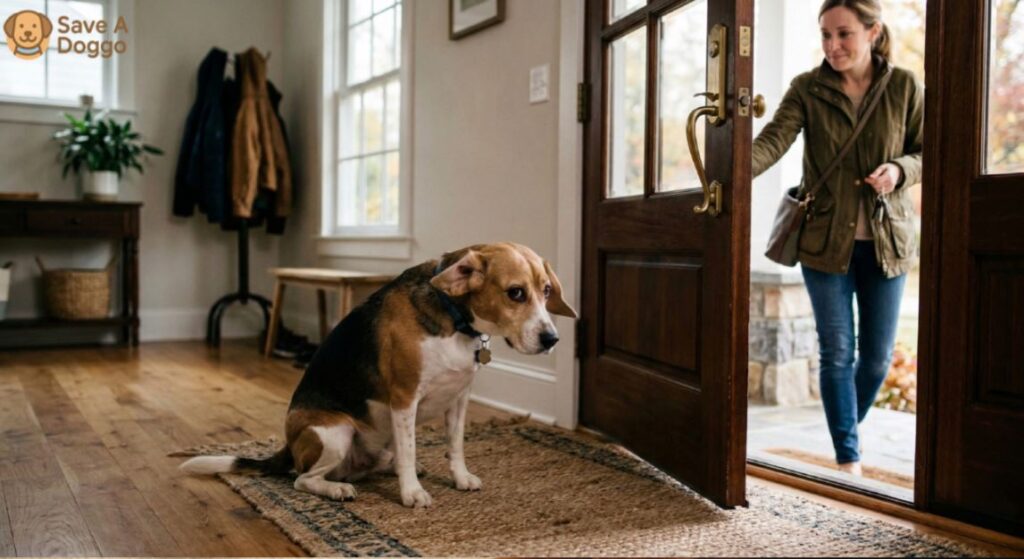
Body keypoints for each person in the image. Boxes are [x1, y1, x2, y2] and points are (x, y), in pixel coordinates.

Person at [751, 0, 923, 475]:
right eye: (825, 35)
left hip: (888, 242)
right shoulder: (807, 88)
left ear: (873, 31)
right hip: (824, 242)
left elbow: (928, 150)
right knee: (836, 351)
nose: (833, 46)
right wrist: (727, 170)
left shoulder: (905, 86)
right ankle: (848, 458)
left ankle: (845, 428)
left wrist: (900, 169)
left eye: (844, 34)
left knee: (876, 359)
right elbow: (773, 139)